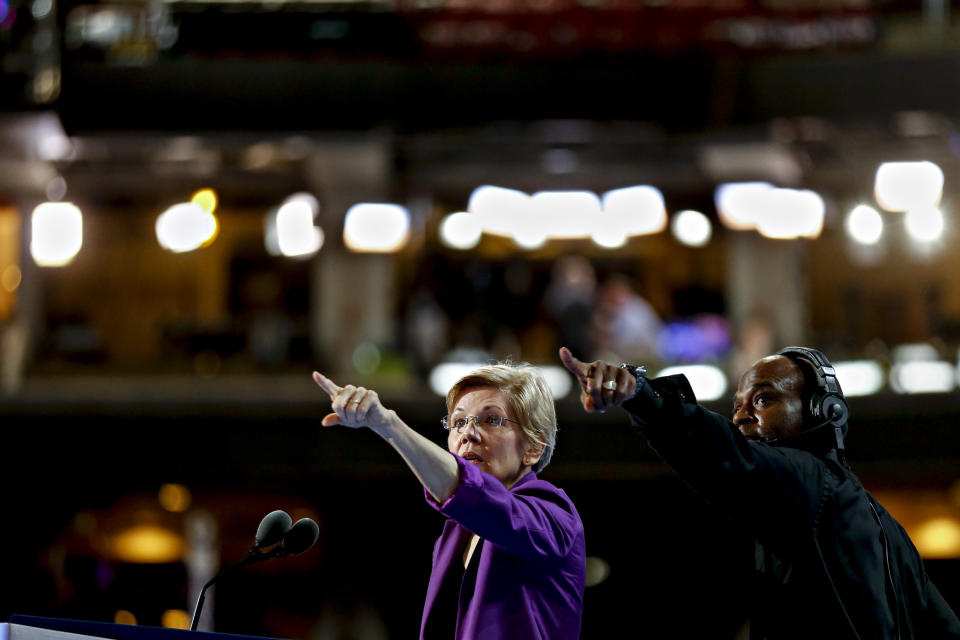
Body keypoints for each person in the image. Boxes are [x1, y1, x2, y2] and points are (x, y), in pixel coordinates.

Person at [559, 345, 960, 639]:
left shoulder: (808, 480)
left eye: (764, 398)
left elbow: (721, 451)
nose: (741, 416)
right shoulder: (891, 531)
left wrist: (643, 397)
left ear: (822, 411)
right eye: (736, 406)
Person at [312, 362, 585, 640]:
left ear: (533, 448)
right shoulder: (453, 536)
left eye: (491, 419)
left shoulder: (553, 513)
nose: (468, 433)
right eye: (458, 422)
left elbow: (475, 494)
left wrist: (388, 424)